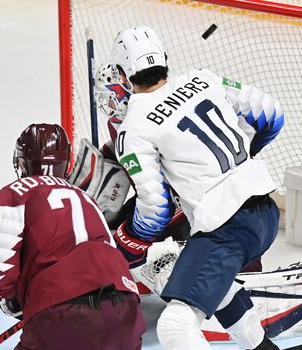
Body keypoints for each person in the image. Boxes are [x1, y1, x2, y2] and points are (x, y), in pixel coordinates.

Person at [111, 25, 284, 349]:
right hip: (267, 213)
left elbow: (155, 211)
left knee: (175, 326)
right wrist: (241, 162)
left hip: (227, 227)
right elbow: (272, 114)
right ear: (164, 57)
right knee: (219, 289)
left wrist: (124, 245)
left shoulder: (133, 127)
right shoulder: (202, 77)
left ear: (123, 74)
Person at [0, 123, 145, 349]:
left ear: (20, 161)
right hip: (125, 308)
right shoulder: (87, 199)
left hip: (62, 313)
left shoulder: (14, 192)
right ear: (67, 163)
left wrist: (13, 299)